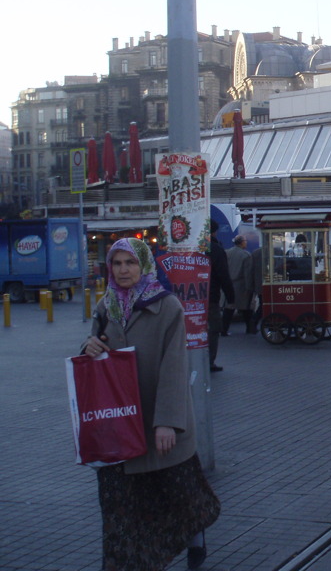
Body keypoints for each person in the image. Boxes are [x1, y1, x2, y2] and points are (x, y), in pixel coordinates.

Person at [81, 238, 220, 570]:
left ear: (143, 265)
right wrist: (88, 346)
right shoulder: (105, 307)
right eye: (117, 263)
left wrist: (167, 421)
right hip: (120, 426)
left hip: (158, 422)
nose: (123, 269)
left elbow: (174, 365)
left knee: (180, 496)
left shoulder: (167, 305)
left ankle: (194, 532)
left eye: (130, 262)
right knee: (120, 507)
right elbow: (94, 347)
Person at [206, 220, 233, 371]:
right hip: (211, 297)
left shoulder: (189, 247)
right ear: (214, 232)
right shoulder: (216, 249)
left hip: (187, 296)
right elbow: (224, 275)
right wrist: (231, 297)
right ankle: (209, 361)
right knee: (213, 329)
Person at [225, 235, 255, 334]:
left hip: (229, 283)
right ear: (242, 242)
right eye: (245, 241)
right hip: (241, 285)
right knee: (247, 308)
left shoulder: (227, 252)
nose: (246, 242)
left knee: (229, 307)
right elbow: (247, 273)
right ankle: (250, 328)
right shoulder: (246, 255)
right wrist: (249, 287)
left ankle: (224, 329)